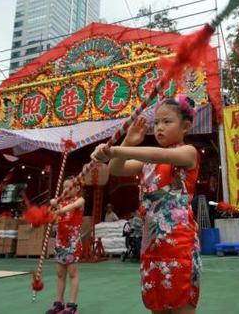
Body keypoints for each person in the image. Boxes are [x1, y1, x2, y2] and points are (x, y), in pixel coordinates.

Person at [92, 95, 201, 314]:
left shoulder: (188, 152)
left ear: (185, 126)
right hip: (151, 246)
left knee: (181, 305)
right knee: (156, 305)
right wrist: (127, 142)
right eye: (157, 123)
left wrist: (113, 150)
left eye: (167, 122)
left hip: (180, 245)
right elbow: (115, 169)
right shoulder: (146, 163)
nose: (159, 127)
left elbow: (159, 153)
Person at [46, 177, 85, 314]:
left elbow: (72, 207)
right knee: (60, 274)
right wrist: (53, 203)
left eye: (69, 187)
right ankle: (59, 303)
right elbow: (52, 207)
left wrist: (59, 208)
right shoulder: (61, 202)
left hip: (72, 243)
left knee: (72, 274)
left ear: (77, 188)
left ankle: (72, 304)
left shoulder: (80, 201)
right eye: (64, 188)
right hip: (60, 242)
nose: (65, 190)